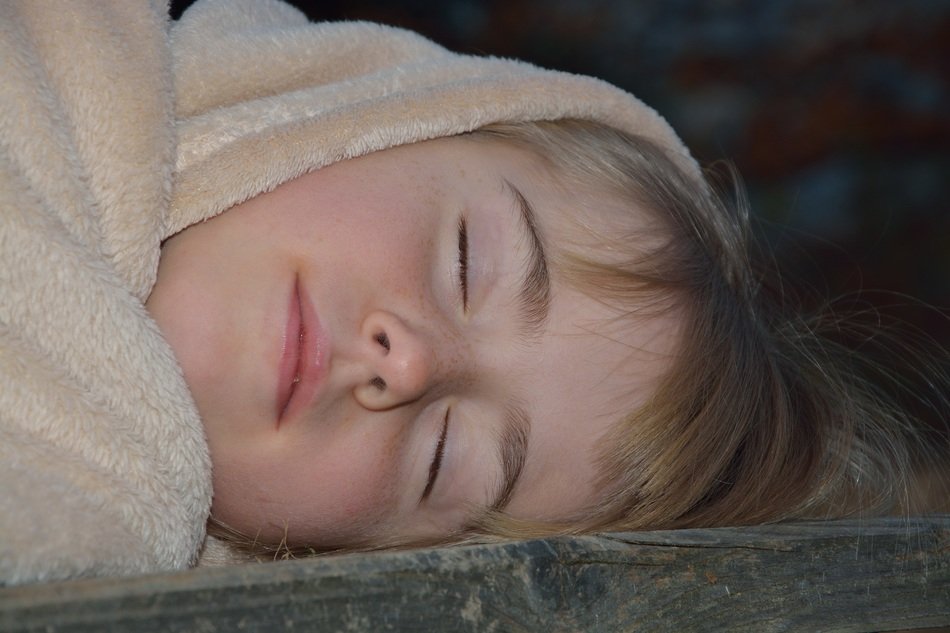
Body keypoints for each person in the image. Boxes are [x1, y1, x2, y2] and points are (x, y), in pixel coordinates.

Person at [0, 0, 945, 585]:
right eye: (465, 261)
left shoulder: (90, 523)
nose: (407, 361)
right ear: (386, 111)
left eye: (448, 459)